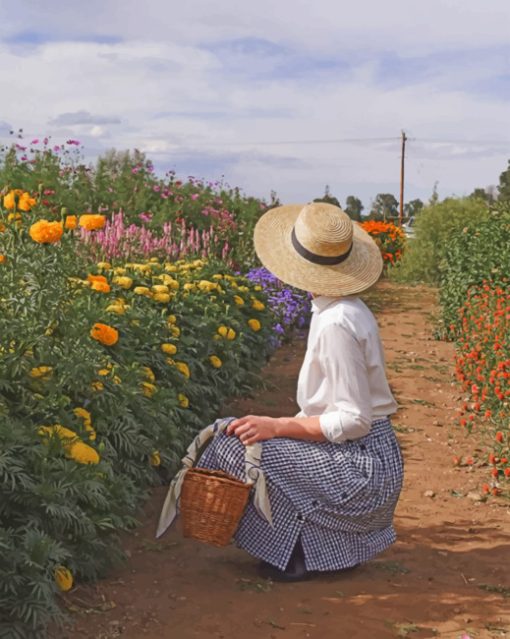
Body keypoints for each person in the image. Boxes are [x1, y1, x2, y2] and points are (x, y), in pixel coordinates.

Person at [173, 202, 403, 581]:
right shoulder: (342, 308)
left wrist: (275, 426)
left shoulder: (336, 324)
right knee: (236, 431)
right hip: (368, 456)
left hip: (363, 470)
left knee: (230, 447)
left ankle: (296, 552)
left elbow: (355, 420)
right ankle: (323, 549)